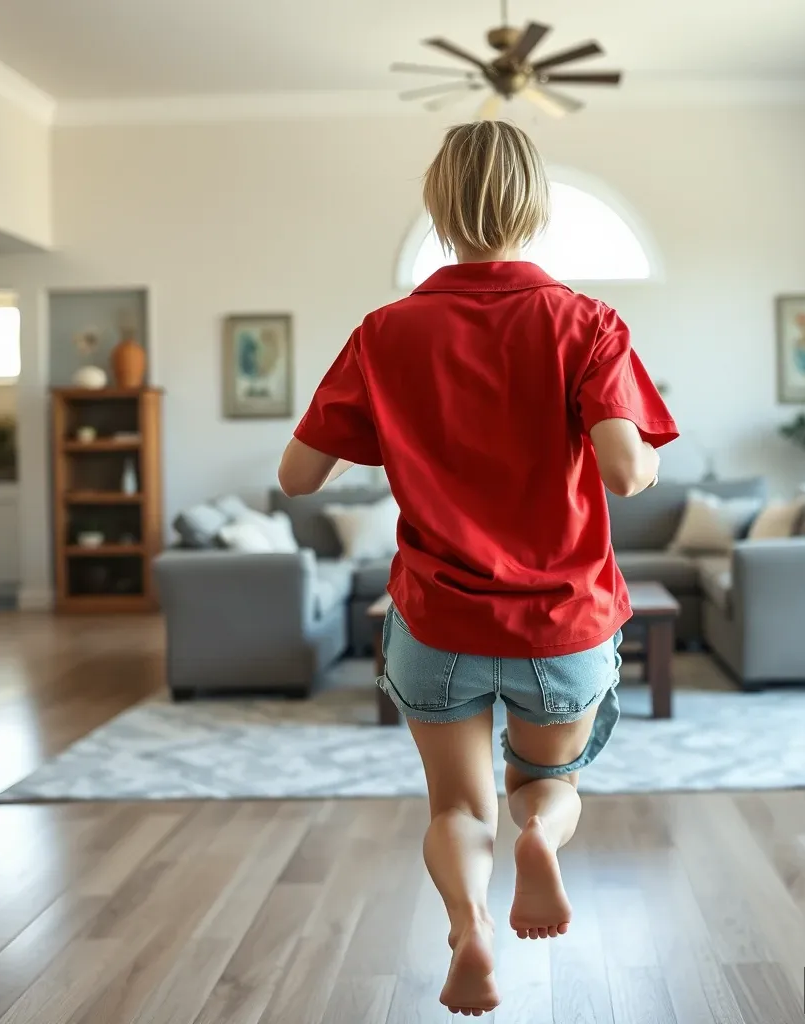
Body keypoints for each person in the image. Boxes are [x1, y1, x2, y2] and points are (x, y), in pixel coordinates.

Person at [278, 120, 678, 1017]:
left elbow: (297, 478)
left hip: (437, 622)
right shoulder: (587, 323)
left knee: (456, 809)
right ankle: (540, 836)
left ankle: (469, 929)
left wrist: (402, 429)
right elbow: (624, 468)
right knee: (547, 784)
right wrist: (648, 457)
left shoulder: (385, 333)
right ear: (534, 208)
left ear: (439, 205)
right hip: (562, 623)